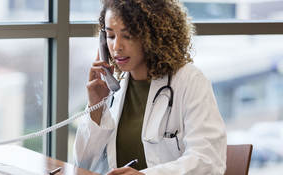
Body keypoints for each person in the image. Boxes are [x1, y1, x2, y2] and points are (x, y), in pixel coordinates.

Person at [73, 0, 227, 174]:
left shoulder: (190, 81)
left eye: (127, 35)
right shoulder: (114, 88)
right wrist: (96, 106)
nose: (116, 47)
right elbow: (82, 165)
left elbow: (208, 161)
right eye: (110, 36)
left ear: (152, 36)